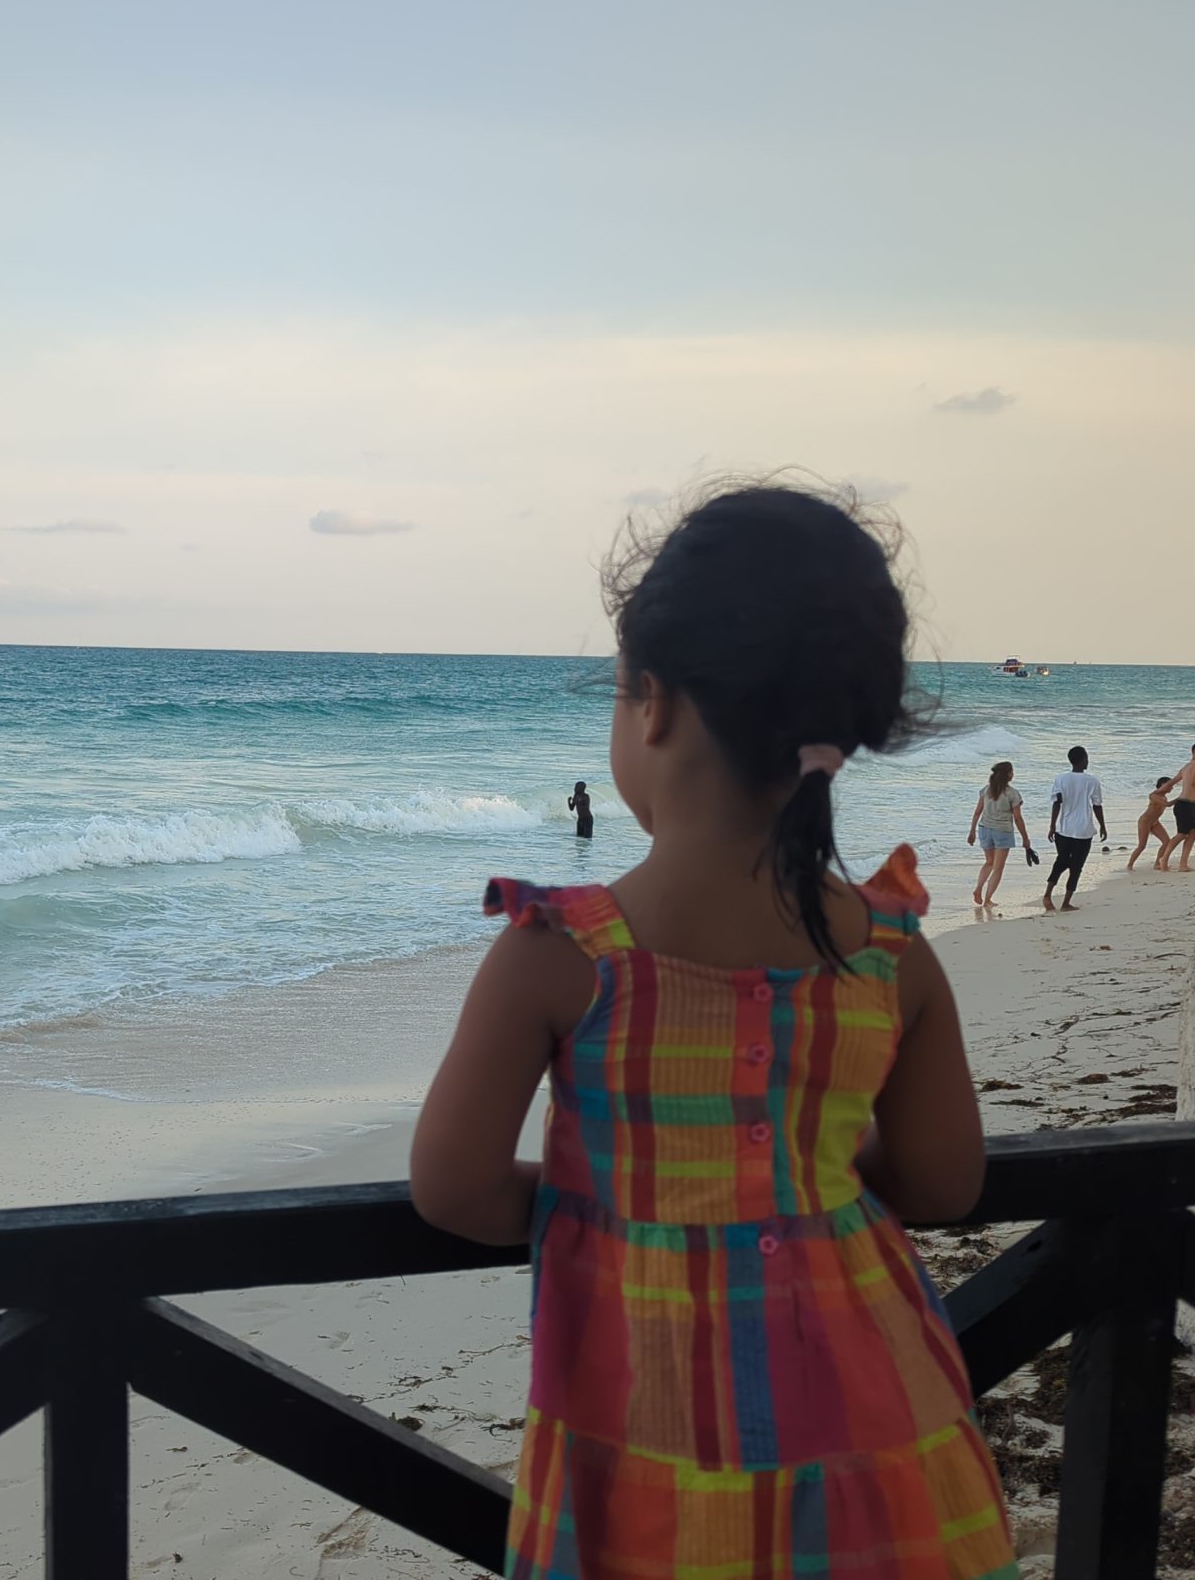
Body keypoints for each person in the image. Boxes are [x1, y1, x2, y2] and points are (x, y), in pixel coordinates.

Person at [411, 483, 1015, 1580]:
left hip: (646, 1430)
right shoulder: (887, 951)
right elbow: (941, 1182)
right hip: (881, 1428)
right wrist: (798, 1178)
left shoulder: (561, 953)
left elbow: (452, 1188)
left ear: (653, 706)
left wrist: (604, 1218)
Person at [1043, 746, 1106, 912]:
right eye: (1086, 758)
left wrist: (1052, 826)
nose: (1088, 761)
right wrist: (1102, 825)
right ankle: (1065, 903)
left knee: (1061, 861)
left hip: (1063, 828)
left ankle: (1048, 895)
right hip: (1083, 829)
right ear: (1082, 759)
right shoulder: (1092, 781)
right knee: (1077, 866)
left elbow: (1057, 803)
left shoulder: (1061, 779)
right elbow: (1097, 805)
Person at [967, 758, 1032, 907]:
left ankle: (978, 888)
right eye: (1012, 772)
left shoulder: (986, 790)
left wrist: (972, 831)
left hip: (984, 829)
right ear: (1009, 775)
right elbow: (1018, 818)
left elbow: (977, 812)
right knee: (998, 867)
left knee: (989, 862)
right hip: (1002, 832)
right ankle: (988, 900)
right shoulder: (1012, 794)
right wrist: (1025, 839)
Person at [1160, 741, 1195, 872]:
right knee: (1183, 834)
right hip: (1187, 804)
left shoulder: (1186, 766)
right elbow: (1192, 785)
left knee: (1193, 833)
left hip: (1184, 804)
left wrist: (1157, 792)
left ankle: (1183, 864)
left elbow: (1172, 782)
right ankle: (1164, 859)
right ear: (1194, 752)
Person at [1127, 776, 1178, 870]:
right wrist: (1181, 798)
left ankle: (1157, 863)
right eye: (1168, 785)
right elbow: (1168, 805)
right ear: (1161, 786)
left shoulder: (1164, 797)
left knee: (1166, 841)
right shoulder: (1154, 795)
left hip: (1155, 822)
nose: (1171, 787)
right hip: (1145, 822)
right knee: (1142, 846)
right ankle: (1130, 865)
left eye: (1172, 785)